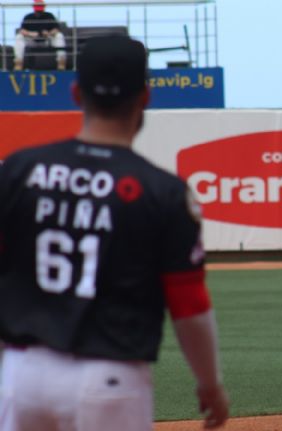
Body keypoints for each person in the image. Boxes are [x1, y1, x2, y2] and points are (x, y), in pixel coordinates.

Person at [0, 36, 228, 430]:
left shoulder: (19, 170)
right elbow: (188, 304)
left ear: (75, 92)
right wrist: (210, 383)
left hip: (24, 374)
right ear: (145, 96)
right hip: (110, 380)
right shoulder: (163, 192)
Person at [14, 0, 66, 71]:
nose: (39, 12)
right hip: (32, 40)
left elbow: (56, 29)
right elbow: (22, 30)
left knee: (59, 36)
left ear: (44, 7)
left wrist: (49, 33)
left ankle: (61, 63)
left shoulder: (49, 16)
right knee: (19, 37)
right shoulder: (28, 17)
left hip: (47, 40)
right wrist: (30, 34)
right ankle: (18, 63)